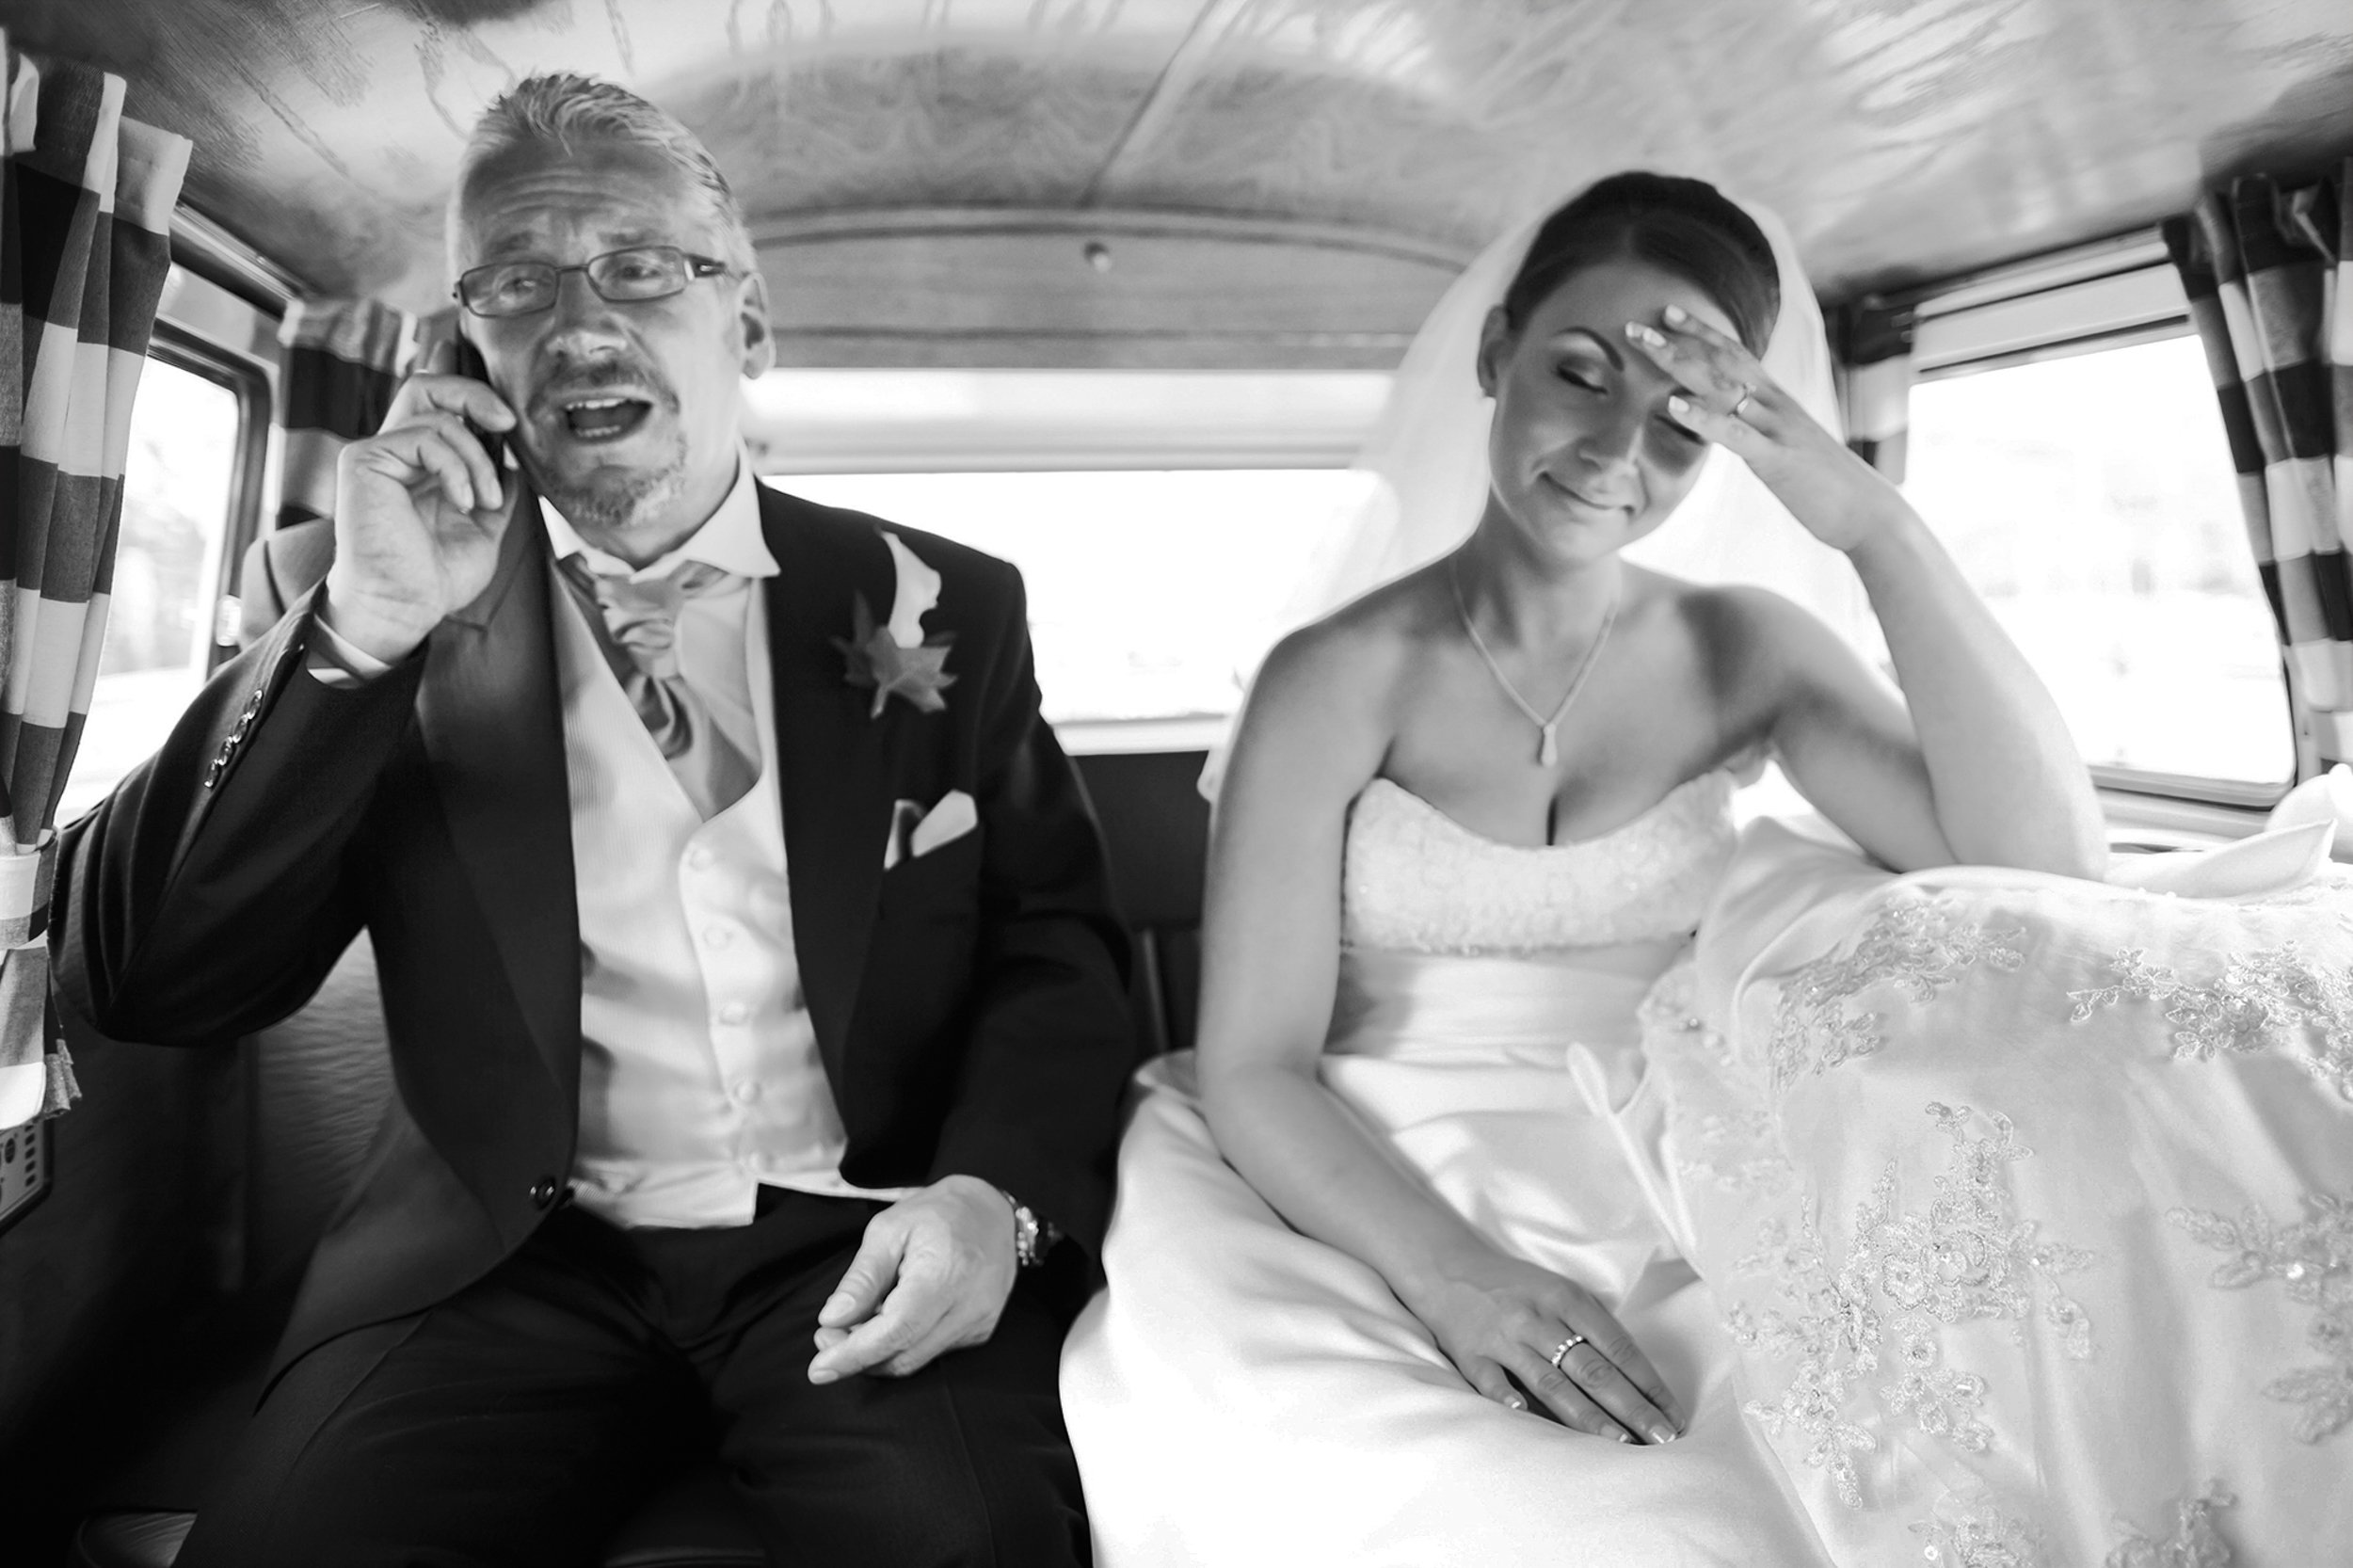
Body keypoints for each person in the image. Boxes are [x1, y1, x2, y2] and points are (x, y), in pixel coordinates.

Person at [54, 73, 1134, 1566]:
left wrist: (993, 1199)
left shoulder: (950, 600)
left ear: (748, 322)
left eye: (637, 267)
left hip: (861, 1230)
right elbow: (148, 980)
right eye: (514, 284)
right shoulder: (354, 591)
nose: (578, 326)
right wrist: (365, 628)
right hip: (501, 1258)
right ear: (462, 351)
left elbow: (1054, 940)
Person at [1059, 172, 2104, 1564]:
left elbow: (2051, 869)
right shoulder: (1333, 678)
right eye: (1579, 372)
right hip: (1369, 1162)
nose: (1617, 448)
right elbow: (1253, 1064)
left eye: (1681, 419)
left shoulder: (1746, 650)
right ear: (1497, 352)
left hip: (1678, 1155)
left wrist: (1871, 525)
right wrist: (1460, 1281)